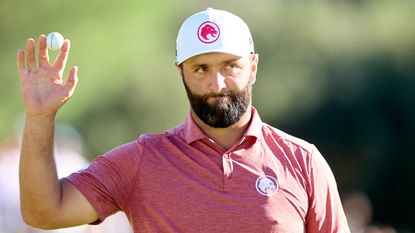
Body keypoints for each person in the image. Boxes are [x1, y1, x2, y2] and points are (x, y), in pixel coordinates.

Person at [17, 7, 350, 233]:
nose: (216, 84)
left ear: (253, 66)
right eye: (201, 68)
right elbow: (44, 213)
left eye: (230, 66)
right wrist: (40, 118)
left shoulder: (303, 162)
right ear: (181, 72)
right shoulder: (142, 161)